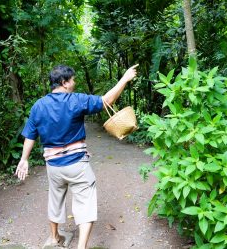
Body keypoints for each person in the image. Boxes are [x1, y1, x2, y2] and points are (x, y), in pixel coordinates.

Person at [15, 64, 138, 249]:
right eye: (72, 79)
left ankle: (54, 238)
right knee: (85, 204)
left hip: (53, 166)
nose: (74, 82)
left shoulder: (38, 106)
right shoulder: (77, 100)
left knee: (55, 199)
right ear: (64, 83)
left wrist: (24, 159)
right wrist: (125, 78)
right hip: (77, 165)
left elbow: (30, 135)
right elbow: (107, 100)